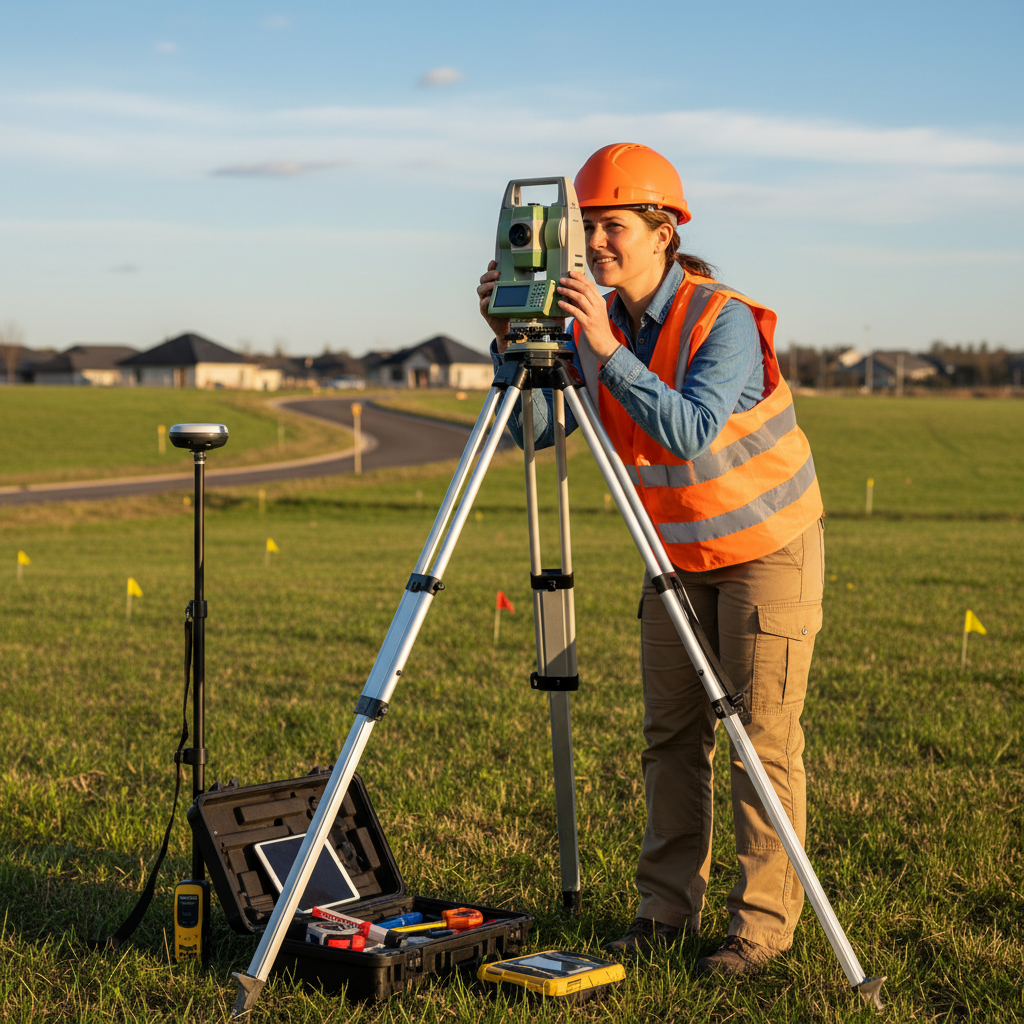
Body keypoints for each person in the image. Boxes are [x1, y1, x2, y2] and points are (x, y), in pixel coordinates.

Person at [477, 143, 825, 977]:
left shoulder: (722, 319)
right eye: (585, 229)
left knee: (759, 742)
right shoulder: (602, 332)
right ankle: (663, 914)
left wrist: (602, 344)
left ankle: (760, 931)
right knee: (670, 737)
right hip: (673, 557)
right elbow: (531, 434)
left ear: (663, 231)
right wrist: (512, 341)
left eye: (613, 227)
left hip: (764, 553)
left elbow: (690, 428)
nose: (596, 245)